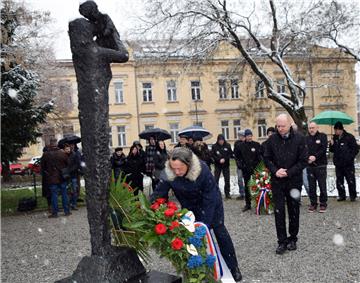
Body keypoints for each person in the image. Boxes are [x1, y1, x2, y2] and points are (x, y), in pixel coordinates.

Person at [151, 147, 243, 282]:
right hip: (189, 207)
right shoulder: (170, 172)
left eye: (180, 169)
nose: (176, 172)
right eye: (173, 168)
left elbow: (209, 199)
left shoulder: (203, 170)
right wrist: (148, 207)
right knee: (192, 238)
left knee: (219, 231)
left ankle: (233, 267)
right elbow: (159, 193)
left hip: (211, 204)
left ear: (188, 164)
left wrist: (204, 224)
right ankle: (201, 269)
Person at [263, 114, 307, 254]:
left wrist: (289, 172)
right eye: (278, 126)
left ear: (289, 125)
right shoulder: (272, 140)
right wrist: (275, 171)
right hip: (278, 181)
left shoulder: (299, 139)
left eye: (283, 126)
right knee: (279, 211)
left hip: (293, 180)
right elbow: (267, 158)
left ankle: (292, 238)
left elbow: (303, 160)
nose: (280, 129)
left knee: (294, 210)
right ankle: (281, 241)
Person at [41, 138, 71, 218]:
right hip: (62, 177)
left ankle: (55, 212)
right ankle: (67, 211)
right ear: (57, 144)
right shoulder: (62, 153)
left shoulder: (46, 154)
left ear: (50, 144)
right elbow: (68, 164)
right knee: (64, 194)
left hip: (51, 178)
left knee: (54, 195)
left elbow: (42, 167)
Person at [329, 121, 359, 201]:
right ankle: (342, 195)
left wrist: (350, 157)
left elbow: (356, 149)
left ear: (341, 129)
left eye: (336, 130)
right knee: (339, 181)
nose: (335, 131)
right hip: (338, 164)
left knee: (351, 180)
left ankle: (353, 196)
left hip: (348, 164)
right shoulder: (334, 138)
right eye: (335, 130)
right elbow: (332, 150)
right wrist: (331, 144)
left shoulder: (349, 137)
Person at [235, 129, 262, 211]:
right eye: (247, 136)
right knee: (247, 187)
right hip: (245, 169)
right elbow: (237, 157)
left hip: (255, 169)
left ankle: (258, 203)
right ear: (245, 137)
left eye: (250, 136)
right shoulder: (240, 146)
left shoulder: (256, 145)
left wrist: (258, 166)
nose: (249, 137)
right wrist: (240, 165)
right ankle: (248, 204)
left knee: (257, 186)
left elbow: (259, 157)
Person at [306, 122, 328, 212]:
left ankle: (323, 203)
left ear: (317, 127)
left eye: (313, 128)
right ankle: (313, 203)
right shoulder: (306, 138)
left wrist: (315, 156)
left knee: (322, 185)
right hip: (310, 166)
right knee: (311, 186)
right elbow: (303, 150)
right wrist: (308, 157)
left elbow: (323, 148)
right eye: (310, 128)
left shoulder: (322, 136)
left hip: (320, 165)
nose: (311, 130)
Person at [211, 134, 233, 199]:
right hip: (218, 165)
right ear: (218, 140)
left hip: (226, 165)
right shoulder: (214, 146)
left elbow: (230, 154)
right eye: (220, 140)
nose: (221, 141)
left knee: (227, 179)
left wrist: (225, 159)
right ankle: (216, 193)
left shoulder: (228, 145)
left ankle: (227, 193)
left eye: (222, 140)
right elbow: (212, 155)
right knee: (216, 179)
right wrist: (218, 159)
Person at [233, 130, 246, 200]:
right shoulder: (237, 143)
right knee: (240, 179)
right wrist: (238, 163)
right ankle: (241, 193)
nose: (241, 137)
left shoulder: (247, 143)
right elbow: (235, 154)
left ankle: (247, 192)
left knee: (247, 179)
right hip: (239, 164)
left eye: (242, 136)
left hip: (247, 164)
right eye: (240, 136)